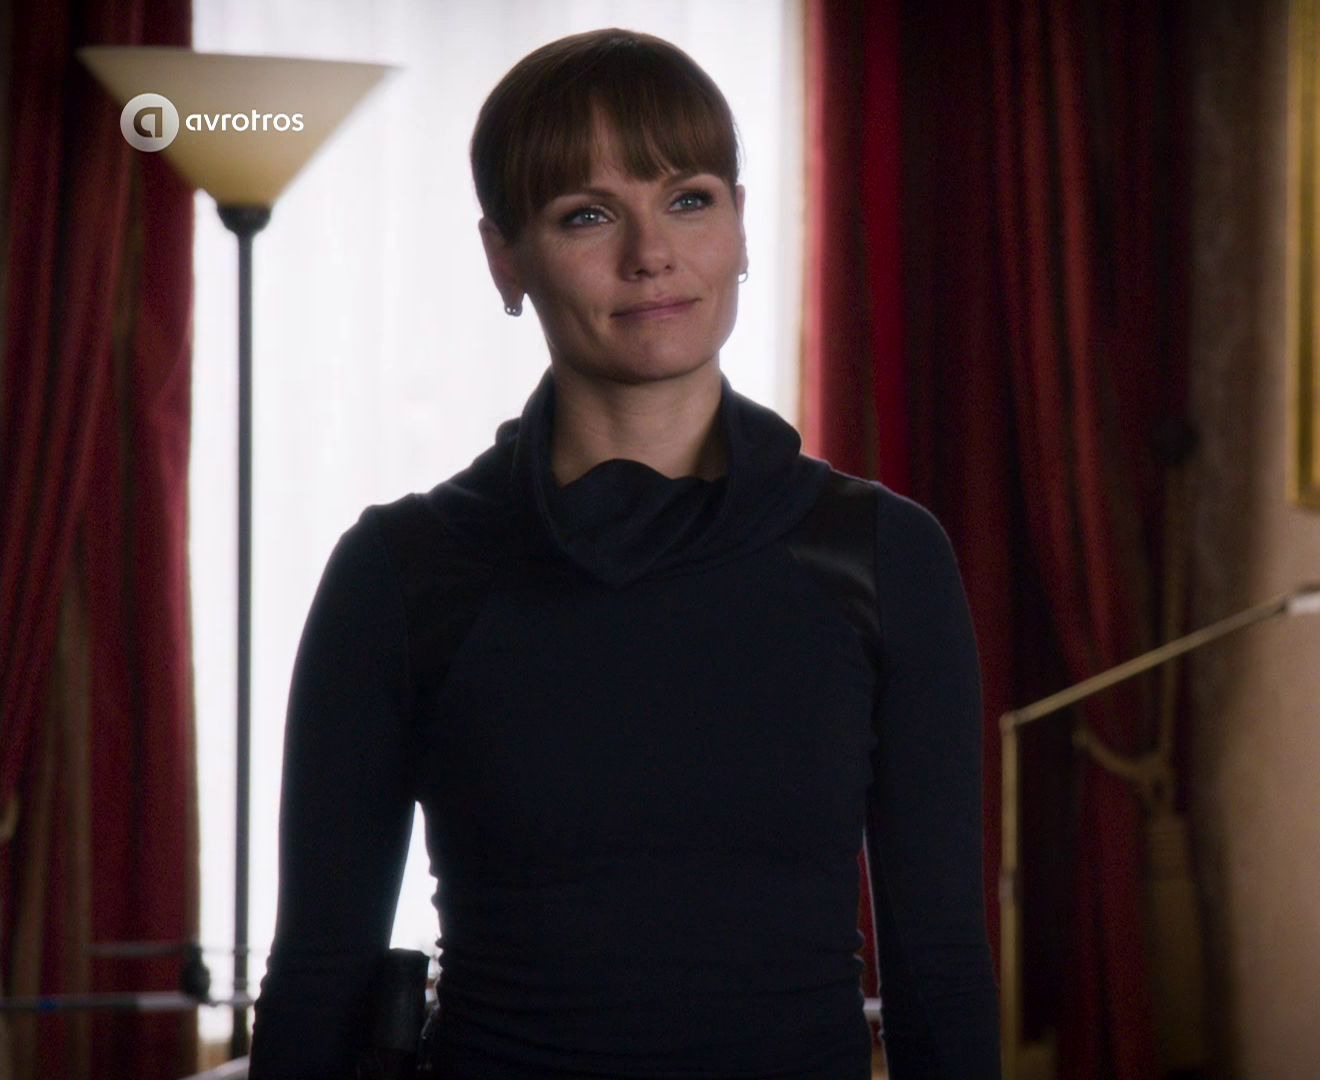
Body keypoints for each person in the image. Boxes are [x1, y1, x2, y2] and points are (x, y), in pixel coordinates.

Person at [246, 28, 1001, 1080]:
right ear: (504, 257)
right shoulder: (400, 571)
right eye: (587, 214)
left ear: (741, 226)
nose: (651, 254)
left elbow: (941, 968)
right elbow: (320, 973)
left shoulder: (885, 556)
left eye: (689, 199)